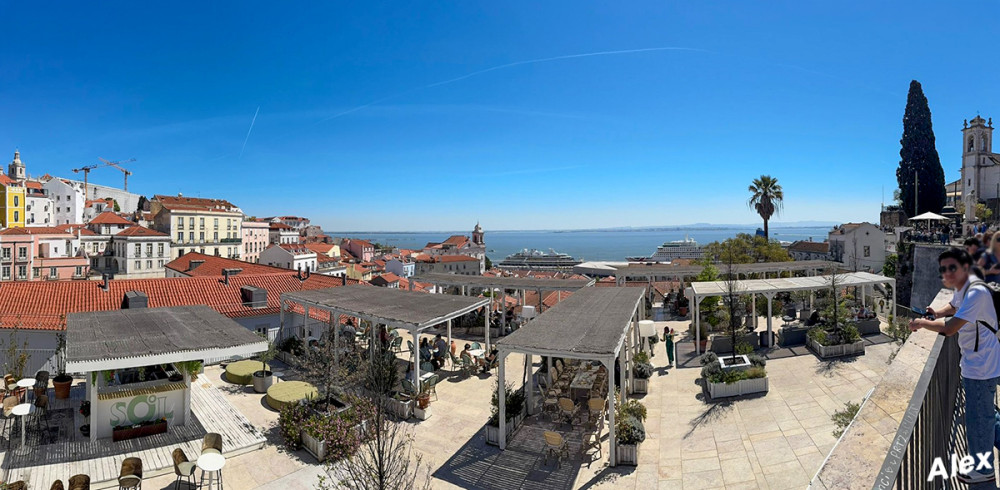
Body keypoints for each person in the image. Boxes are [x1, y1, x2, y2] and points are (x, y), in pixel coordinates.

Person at [908, 248, 1000, 484]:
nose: (947, 273)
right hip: (978, 363)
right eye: (944, 269)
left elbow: (950, 328)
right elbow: (952, 306)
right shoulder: (966, 287)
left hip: (982, 366)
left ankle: (983, 470)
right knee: (986, 414)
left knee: (978, 419)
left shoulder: (976, 292)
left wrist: (921, 323)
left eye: (952, 268)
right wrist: (934, 312)